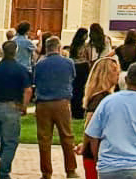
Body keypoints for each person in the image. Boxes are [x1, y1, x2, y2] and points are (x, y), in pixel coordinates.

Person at [0, 41, 32, 179]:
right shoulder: (20, 69)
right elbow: (28, 90)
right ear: (15, 51)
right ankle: (4, 172)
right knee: (10, 142)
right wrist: (24, 106)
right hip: (12, 107)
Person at [33, 36, 81, 179]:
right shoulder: (68, 62)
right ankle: (70, 170)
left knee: (44, 139)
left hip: (43, 103)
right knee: (67, 136)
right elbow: (72, 77)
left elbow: (35, 80)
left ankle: (46, 172)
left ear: (47, 49)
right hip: (62, 102)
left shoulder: (39, 64)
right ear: (59, 48)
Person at [81, 57, 122, 178]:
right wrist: (84, 145)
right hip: (97, 153)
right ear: (106, 74)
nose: (118, 73)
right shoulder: (101, 98)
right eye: (114, 70)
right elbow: (90, 125)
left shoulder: (101, 97)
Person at [69, 27, 95, 119]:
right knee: (82, 89)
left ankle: (74, 110)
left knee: (75, 89)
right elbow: (88, 57)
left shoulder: (73, 45)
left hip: (74, 66)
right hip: (83, 67)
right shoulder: (85, 46)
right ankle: (80, 111)